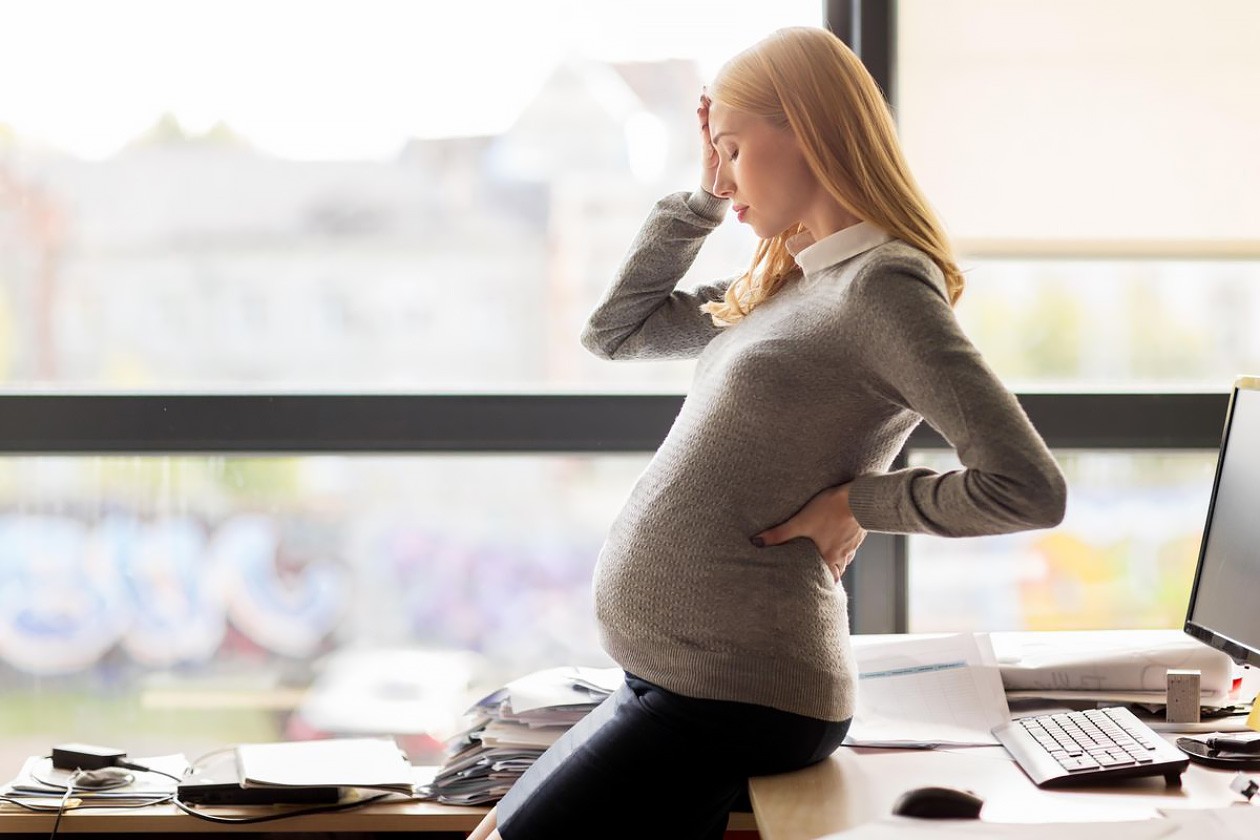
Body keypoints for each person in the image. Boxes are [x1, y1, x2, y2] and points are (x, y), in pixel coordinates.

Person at [468, 24, 1066, 840]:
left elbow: (1025, 486)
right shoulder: (791, 282)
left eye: (736, 150)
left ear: (809, 130)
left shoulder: (882, 288)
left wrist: (861, 500)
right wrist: (704, 196)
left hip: (736, 695)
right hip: (671, 678)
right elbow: (617, 331)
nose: (728, 178)